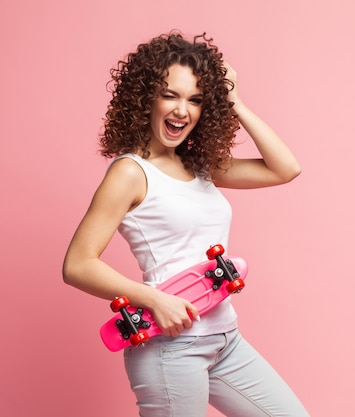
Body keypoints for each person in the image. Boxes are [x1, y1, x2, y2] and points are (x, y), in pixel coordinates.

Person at [62, 31, 310, 417]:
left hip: (225, 339)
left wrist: (236, 102)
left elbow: (285, 168)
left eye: (195, 100)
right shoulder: (131, 173)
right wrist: (155, 299)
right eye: (170, 95)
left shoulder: (199, 165)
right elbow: (77, 264)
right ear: (146, 98)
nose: (182, 110)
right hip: (170, 346)